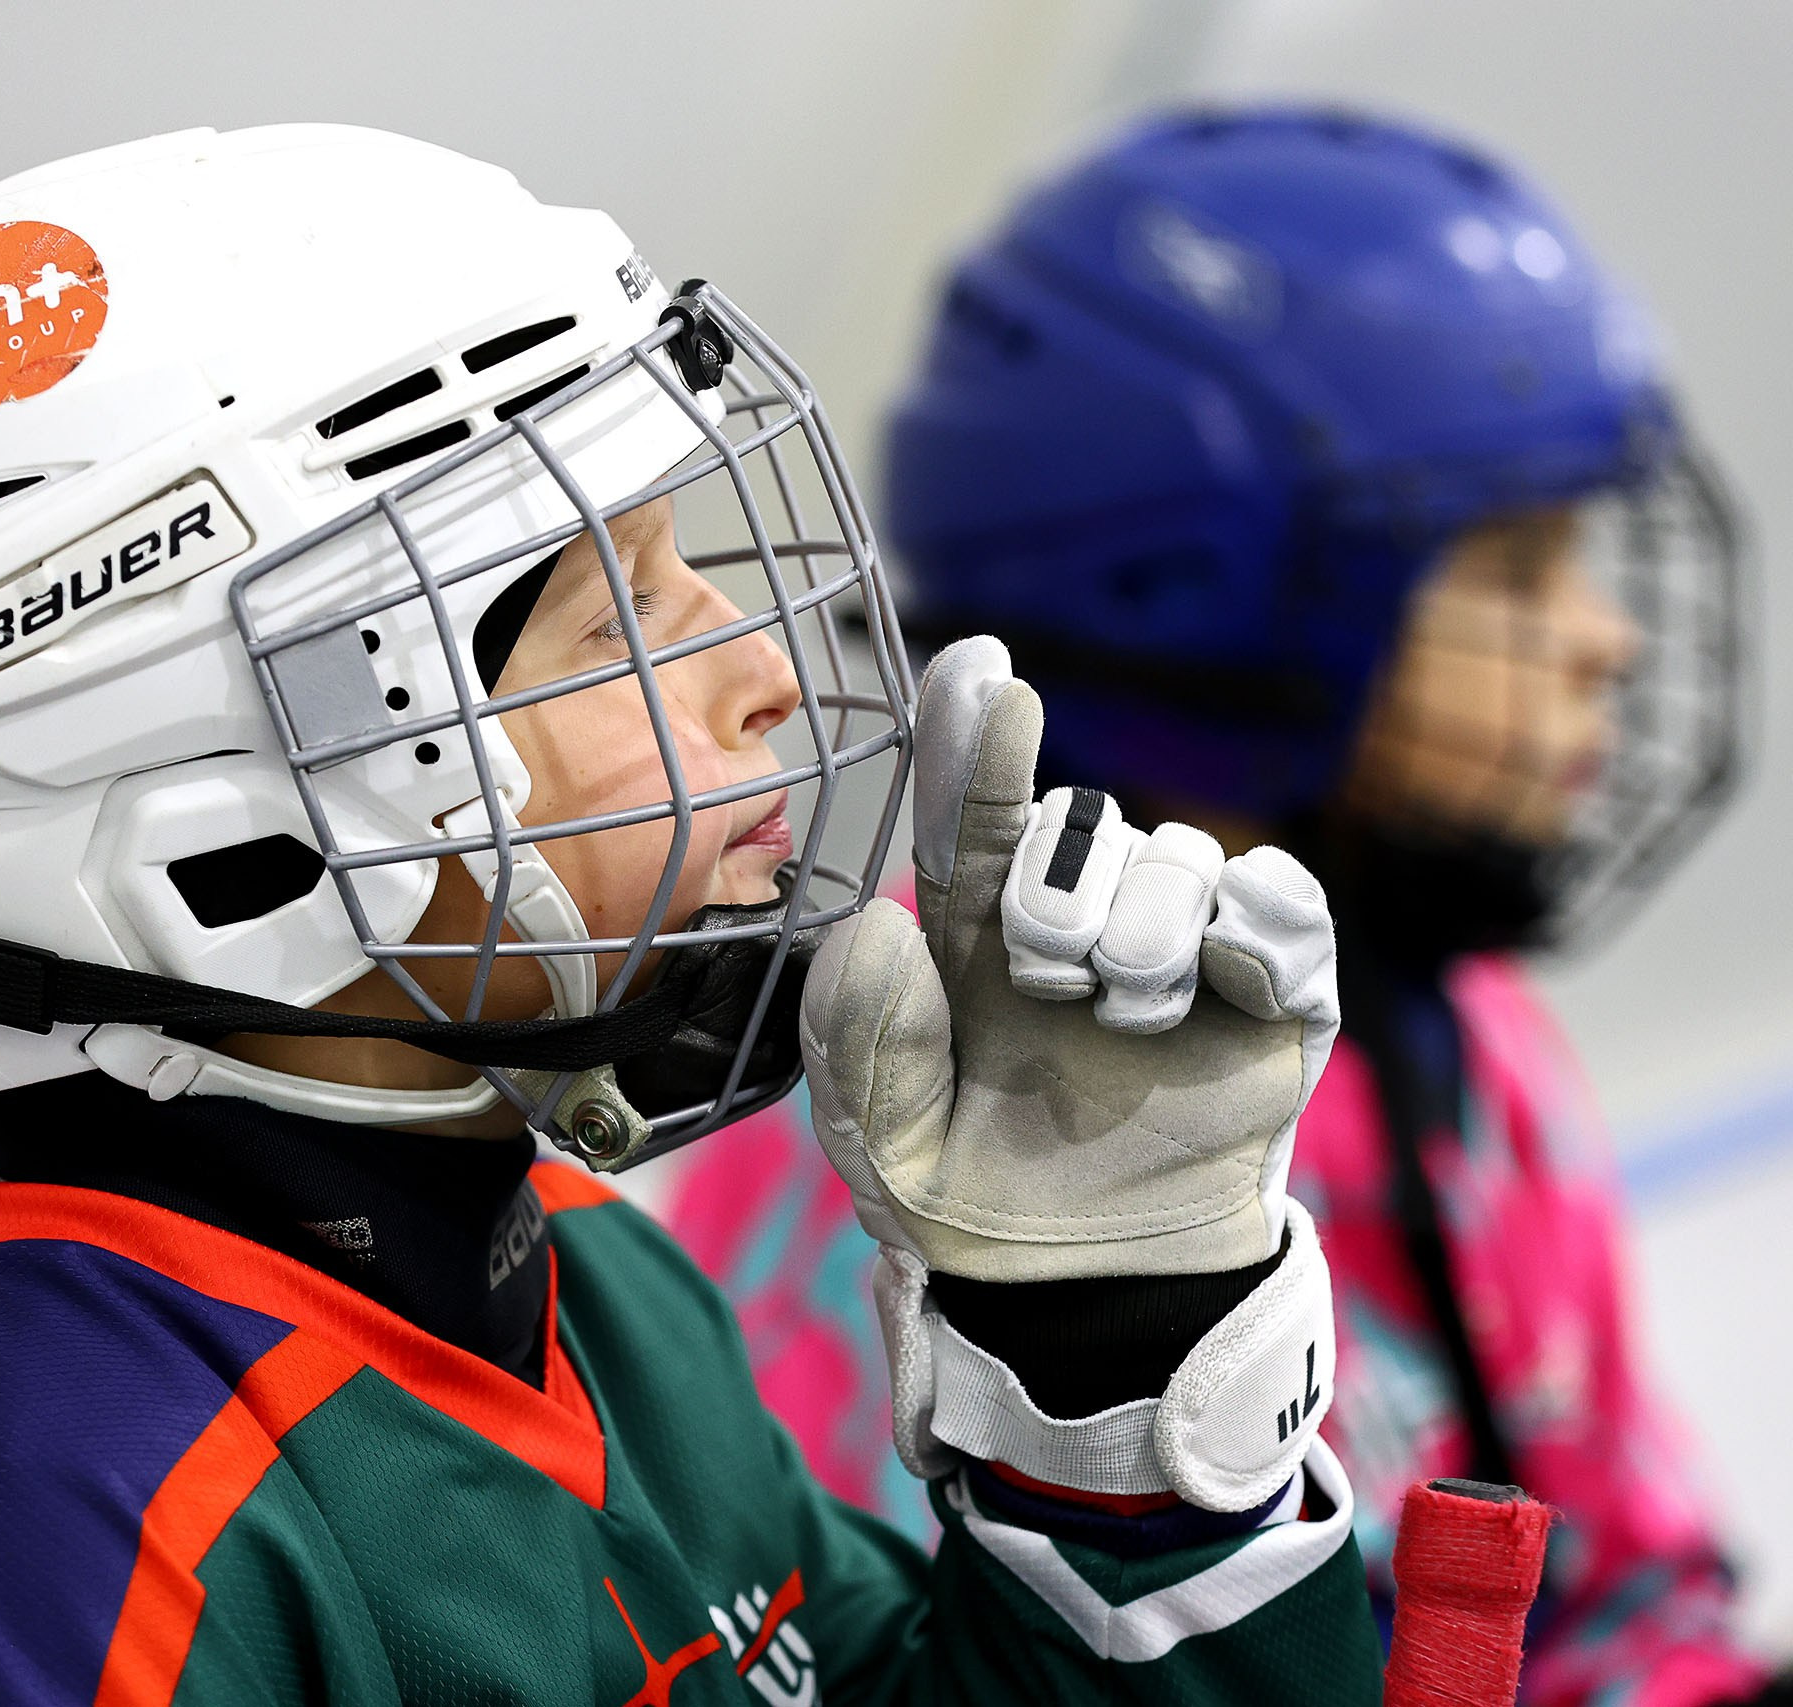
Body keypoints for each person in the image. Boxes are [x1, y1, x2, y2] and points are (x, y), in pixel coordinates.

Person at [0, 125, 1382, 1704]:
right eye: (595, 610)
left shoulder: (594, 1292)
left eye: (678, 557)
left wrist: (1124, 1374)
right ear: (204, 824)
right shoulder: (16, 1558)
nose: (753, 670)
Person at [668, 105, 1780, 1705]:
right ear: (1208, 596)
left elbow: (1629, 1595)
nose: (1604, 638)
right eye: (1521, 570)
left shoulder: (1466, 1036)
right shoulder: (925, 1120)